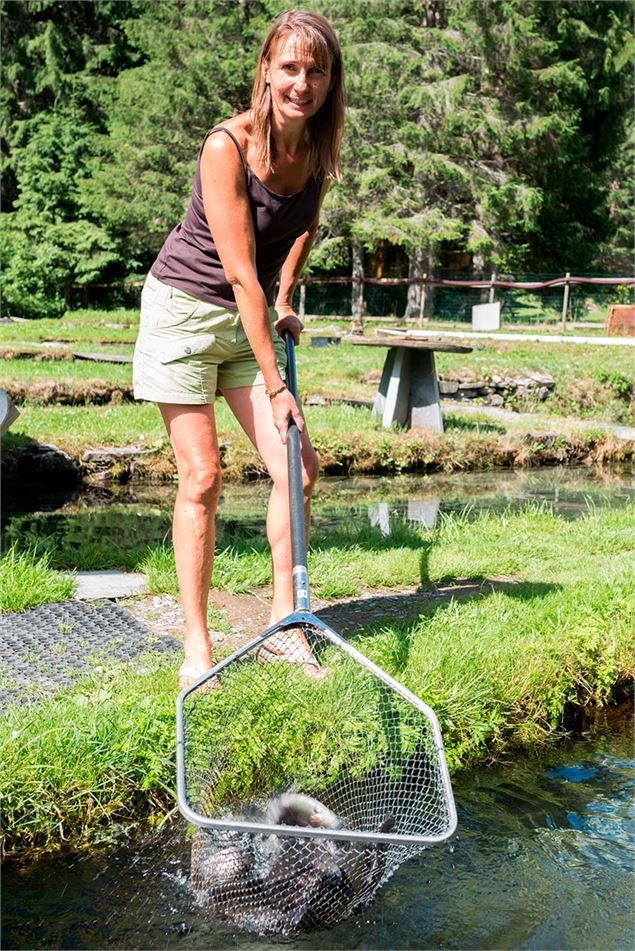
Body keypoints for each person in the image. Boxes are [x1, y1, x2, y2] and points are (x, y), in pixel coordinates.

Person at [132, 9, 345, 688]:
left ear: (330, 80)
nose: (302, 83)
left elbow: (301, 227)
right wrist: (276, 384)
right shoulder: (227, 145)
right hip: (186, 315)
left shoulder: (319, 150)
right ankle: (197, 646)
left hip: (249, 318)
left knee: (298, 472)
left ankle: (284, 628)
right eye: (290, 67)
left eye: (316, 70)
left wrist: (287, 295)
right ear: (266, 71)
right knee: (202, 477)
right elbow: (239, 274)